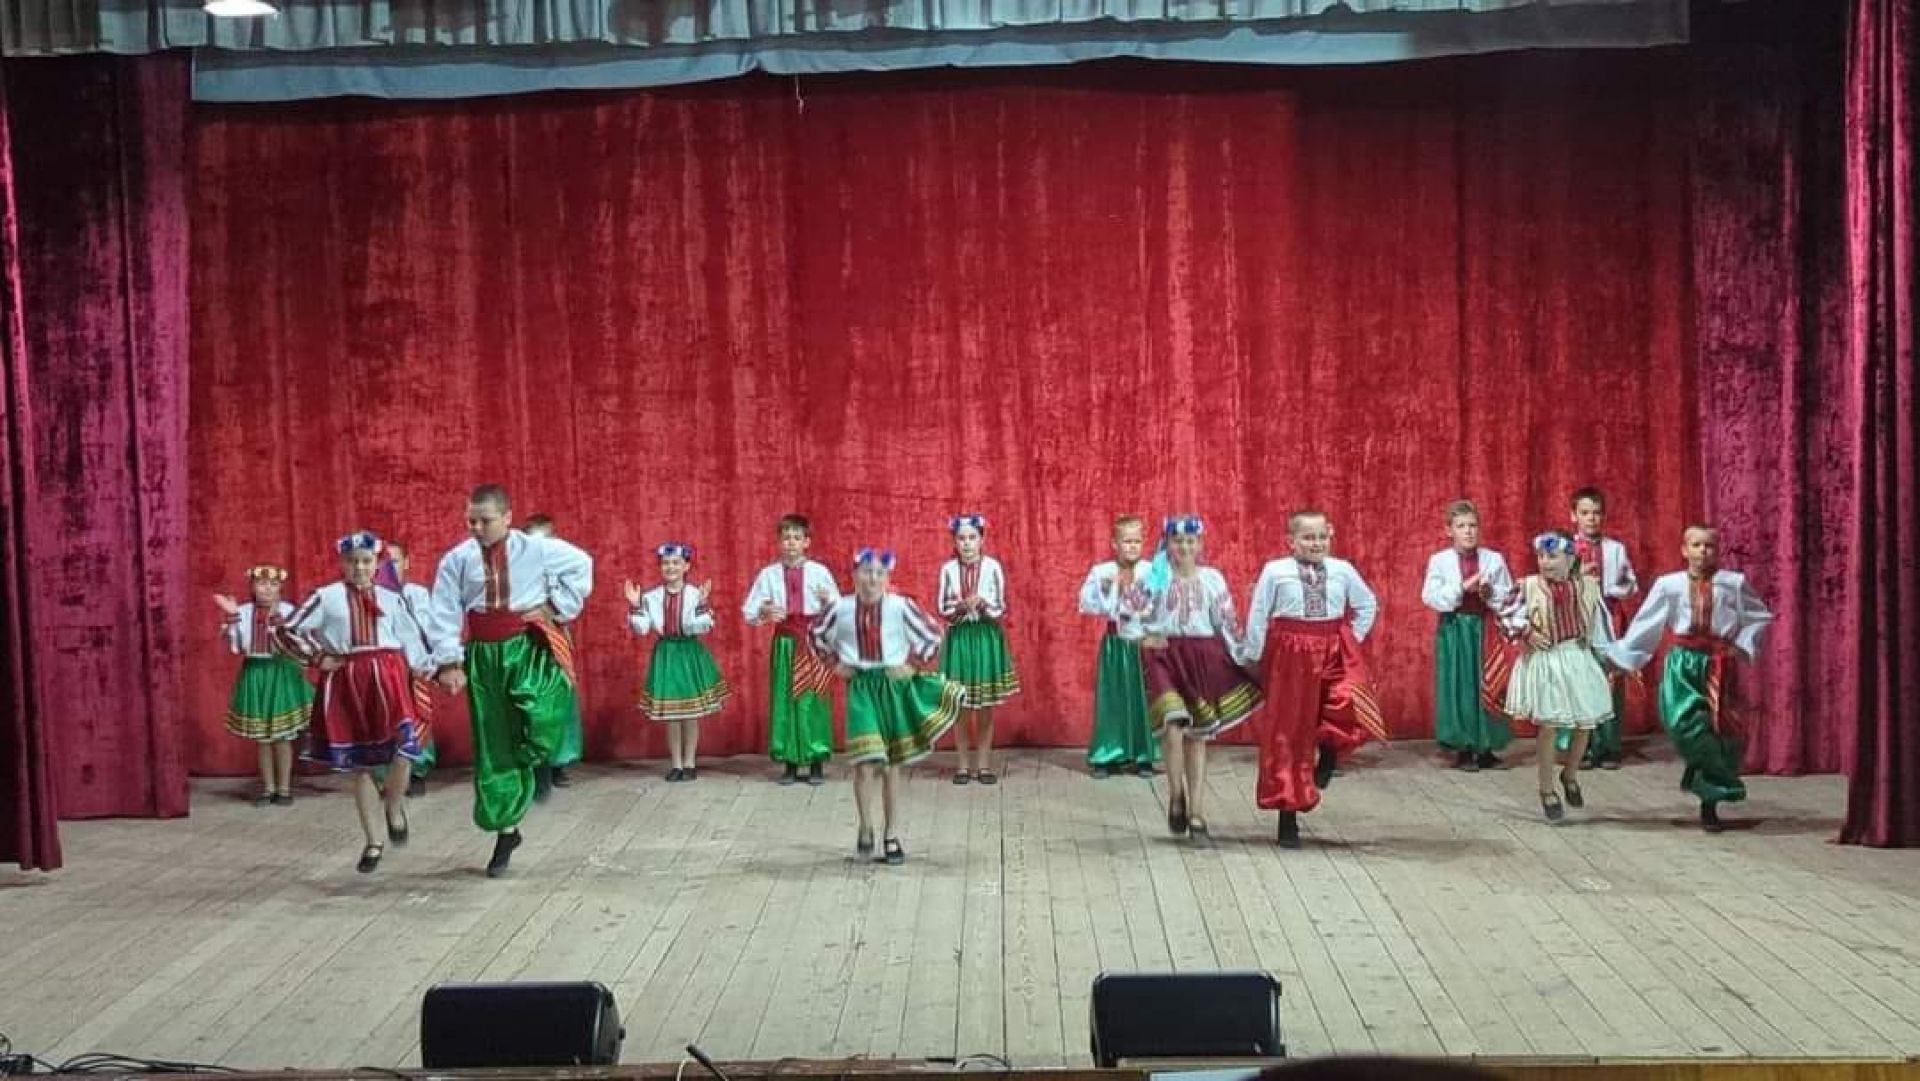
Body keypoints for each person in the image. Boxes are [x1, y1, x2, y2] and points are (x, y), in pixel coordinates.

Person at [425, 485, 594, 877]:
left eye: (484, 521)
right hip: (484, 656)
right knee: (494, 741)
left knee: (542, 721)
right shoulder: (457, 560)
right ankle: (506, 828)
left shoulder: (536, 549)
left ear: (507, 517)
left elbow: (582, 565)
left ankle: (534, 765)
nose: (476, 528)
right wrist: (449, 661)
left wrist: (555, 607)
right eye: (471, 521)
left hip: (528, 649)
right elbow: (444, 609)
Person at [1605, 525, 1774, 831]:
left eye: (1709, 546)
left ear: (1717, 551)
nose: (1702, 551)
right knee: (1682, 723)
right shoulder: (1669, 585)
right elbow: (1647, 621)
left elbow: (1758, 615)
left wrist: (1741, 644)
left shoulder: (1733, 583)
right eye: (1696, 545)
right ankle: (1708, 781)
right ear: (1684, 550)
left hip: (1718, 665)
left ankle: (1709, 801)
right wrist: (1622, 658)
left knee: (1715, 729)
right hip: (1682, 665)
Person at [281, 532, 433, 873]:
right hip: (348, 681)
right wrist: (318, 657)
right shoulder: (326, 597)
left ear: (377, 564)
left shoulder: (392, 598)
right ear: (342, 564)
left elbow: (411, 636)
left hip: (390, 680)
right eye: (352, 562)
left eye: (366, 561)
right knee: (360, 764)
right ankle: (373, 841)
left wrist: (428, 668)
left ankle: (393, 805)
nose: (359, 568)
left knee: (404, 751)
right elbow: (287, 629)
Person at [1240, 510, 1386, 848]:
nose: (1316, 543)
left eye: (1321, 536)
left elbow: (1367, 604)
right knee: (1289, 731)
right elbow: (1259, 613)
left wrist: (1351, 639)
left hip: (1333, 648)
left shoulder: (1342, 570)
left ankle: (1330, 751)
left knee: (1347, 700)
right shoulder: (1275, 571)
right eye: (1308, 537)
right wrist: (1253, 655)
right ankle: (1287, 814)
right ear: (1291, 541)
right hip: (1290, 654)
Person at [810, 549, 965, 865]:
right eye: (866, 572)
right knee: (865, 762)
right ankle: (866, 825)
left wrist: (912, 664)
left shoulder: (899, 607)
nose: (873, 579)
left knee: (892, 763)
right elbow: (815, 635)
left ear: (888, 578)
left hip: (893, 688)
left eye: (880, 573)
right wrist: (835, 664)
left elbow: (933, 636)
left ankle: (891, 833)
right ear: (854, 576)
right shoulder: (840, 608)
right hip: (862, 688)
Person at [1138, 515, 1262, 842]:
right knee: (1173, 722)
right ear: (1167, 544)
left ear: (1200, 544)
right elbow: (1131, 611)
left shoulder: (1212, 579)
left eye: (1190, 541)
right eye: (1177, 541)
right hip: (1165, 655)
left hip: (1201, 656)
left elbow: (1226, 621)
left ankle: (1196, 812)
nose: (1184, 547)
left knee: (1197, 734)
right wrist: (1142, 635)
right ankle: (1175, 792)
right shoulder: (1155, 577)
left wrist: (1245, 657)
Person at [1499, 531, 1616, 821]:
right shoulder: (1529, 586)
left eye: (1552, 556)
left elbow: (1599, 624)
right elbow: (1506, 612)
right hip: (1547, 660)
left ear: (1571, 559)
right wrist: (1527, 631)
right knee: (1549, 724)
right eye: (1541, 556)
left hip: (1577, 657)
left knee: (1585, 723)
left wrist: (1608, 659)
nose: (1545, 562)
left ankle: (1570, 773)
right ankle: (1546, 789)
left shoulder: (1588, 587)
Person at [742, 514, 841, 785]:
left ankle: (816, 759)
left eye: (797, 538)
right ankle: (790, 762)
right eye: (786, 538)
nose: (791, 543)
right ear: (779, 542)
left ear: (807, 542)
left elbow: (838, 608)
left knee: (814, 698)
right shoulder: (768, 575)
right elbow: (750, 611)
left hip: (813, 643)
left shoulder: (820, 572)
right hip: (785, 643)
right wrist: (764, 611)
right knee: (785, 699)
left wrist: (828, 601)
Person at [1419, 500, 1515, 771]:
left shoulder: (1493, 559)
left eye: (1472, 525)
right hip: (1455, 627)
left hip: (1485, 626)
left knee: (1488, 680)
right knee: (1459, 683)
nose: (1468, 531)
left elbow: (1508, 593)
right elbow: (1430, 596)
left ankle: (1486, 746)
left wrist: (1490, 593)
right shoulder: (1439, 561)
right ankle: (1463, 747)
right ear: (1449, 530)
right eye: (1461, 526)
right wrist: (1462, 587)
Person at [625, 542, 728, 781]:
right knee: (672, 714)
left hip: (689, 653)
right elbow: (642, 628)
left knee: (690, 713)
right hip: (667, 654)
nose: (670, 568)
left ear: (686, 566)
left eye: (676, 563)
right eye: (665, 563)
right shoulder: (651, 597)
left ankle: (690, 762)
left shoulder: (694, 594)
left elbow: (701, 626)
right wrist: (636, 606)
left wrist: (702, 605)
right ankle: (676, 764)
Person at [212, 565, 313, 806]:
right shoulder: (244, 612)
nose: (267, 589)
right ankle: (268, 787)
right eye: (261, 584)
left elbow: (301, 643)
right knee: (263, 738)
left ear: (280, 588)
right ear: (252, 587)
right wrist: (233, 617)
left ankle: (284, 788)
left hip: (282, 672)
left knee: (282, 736)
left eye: (273, 584)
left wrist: (282, 624)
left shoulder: (289, 611)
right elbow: (237, 646)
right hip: (256, 672)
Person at [937, 514, 1019, 786]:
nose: (967, 543)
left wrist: (983, 604)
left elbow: (1001, 605)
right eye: (961, 538)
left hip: (985, 636)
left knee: (984, 706)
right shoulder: (948, 569)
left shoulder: (993, 567)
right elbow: (941, 606)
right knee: (960, 704)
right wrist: (960, 607)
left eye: (972, 537)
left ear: (982, 540)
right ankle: (962, 765)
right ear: (954, 541)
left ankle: (984, 765)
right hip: (960, 638)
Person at [1075, 515, 1160, 778]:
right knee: (1112, 698)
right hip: (1115, 644)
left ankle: (1144, 755)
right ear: (1115, 543)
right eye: (1127, 541)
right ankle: (1108, 754)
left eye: (1137, 541)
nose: (1132, 546)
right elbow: (1085, 603)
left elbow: (1160, 603)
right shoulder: (1102, 572)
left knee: (1143, 698)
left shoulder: (1152, 571)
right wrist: (1109, 591)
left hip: (1142, 643)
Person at [1568, 487, 1639, 768]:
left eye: (1596, 513)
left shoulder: (1615, 549)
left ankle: (1608, 745)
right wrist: (1578, 577)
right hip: (1578, 620)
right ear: (1573, 516)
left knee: (1609, 680)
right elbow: (1553, 582)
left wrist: (1612, 587)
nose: (1591, 518)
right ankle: (1582, 747)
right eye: (1585, 513)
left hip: (1608, 618)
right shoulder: (1564, 547)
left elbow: (1630, 583)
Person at [522, 514, 585, 794]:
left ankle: (559, 760)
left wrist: (553, 610)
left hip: (554, 638)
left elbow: (571, 604)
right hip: (525, 641)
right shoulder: (515, 573)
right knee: (529, 700)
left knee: (560, 697)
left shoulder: (565, 572)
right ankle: (534, 762)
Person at [375, 541, 438, 797]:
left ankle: (417, 769)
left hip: (412, 665)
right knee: (383, 717)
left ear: (407, 562)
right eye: (383, 563)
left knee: (415, 715)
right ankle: (385, 775)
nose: (389, 568)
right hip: (383, 668)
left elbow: (426, 628)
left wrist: (428, 661)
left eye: (395, 561)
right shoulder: (371, 595)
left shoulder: (417, 594)